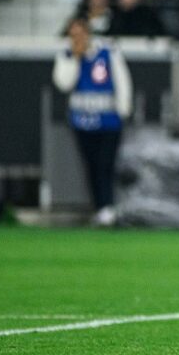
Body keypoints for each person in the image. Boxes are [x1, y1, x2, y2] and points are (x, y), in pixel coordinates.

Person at [52, 18, 132, 227]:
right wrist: (75, 58)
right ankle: (100, 208)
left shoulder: (107, 51)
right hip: (82, 121)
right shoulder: (66, 55)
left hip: (108, 120)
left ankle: (108, 207)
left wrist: (123, 109)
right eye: (73, 35)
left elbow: (122, 80)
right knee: (91, 165)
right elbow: (64, 83)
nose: (77, 39)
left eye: (80, 34)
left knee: (106, 164)